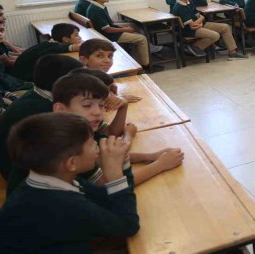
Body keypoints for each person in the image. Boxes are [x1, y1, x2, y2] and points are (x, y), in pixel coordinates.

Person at [0, 113, 140, 254]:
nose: (97, 145)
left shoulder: (53, 180)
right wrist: (115, 175)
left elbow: (107, 198)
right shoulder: (60, 204)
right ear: (72, 163)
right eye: (91, 143)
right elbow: (127, 226)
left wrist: (122, 161)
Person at [52, 73, 184, 186]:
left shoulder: (82, 130)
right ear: (60, 109)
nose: (98, 112)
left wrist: (150, 156)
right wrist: (160, 165)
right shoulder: (67, 145)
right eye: (87, 105)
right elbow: (109, 187)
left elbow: (109, 155)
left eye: (101, 105)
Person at [0, 55, 84, 181]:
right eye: (79, 79)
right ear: (62, 82)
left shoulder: (40, 96)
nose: (84, 83)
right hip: (22, 175)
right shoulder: (45, 109)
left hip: (16, 167)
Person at [85, 0, 162, 67]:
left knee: (133, 25)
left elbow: (109, 22)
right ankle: (145, 64)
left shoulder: (98, 6)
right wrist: (126, 29)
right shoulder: (96, 10)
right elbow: (107, 29)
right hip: (109, 35)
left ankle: (138, 56)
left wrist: (124, 24)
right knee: (141, 39)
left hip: (109, 31)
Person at [171, 0, 247, 60]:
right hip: (190, 30)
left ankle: (232, 53)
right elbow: (193, 25)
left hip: (199, 25)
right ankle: (193, 46)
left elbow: (198, 16)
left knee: (225, 27)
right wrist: (202, 18)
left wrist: (200, 20)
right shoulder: (179, 7)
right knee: (215, 35)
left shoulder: (189, 2)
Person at [11, 23, 82, 82]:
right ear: (65, 39)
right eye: (76, 35)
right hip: (24, 79)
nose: (80, 38)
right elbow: (57, 48)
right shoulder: (53, 47)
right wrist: (74, 47)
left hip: (21, 74)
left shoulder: (49, 43)